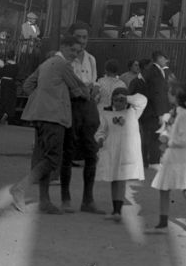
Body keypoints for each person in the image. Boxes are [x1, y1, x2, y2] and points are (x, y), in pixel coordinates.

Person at [9, 35, 87, 214]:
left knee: (45, 157)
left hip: (39, 116)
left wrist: (42, 98)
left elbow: (28, 85)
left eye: (78, 51)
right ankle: (21, 187)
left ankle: (45, 201)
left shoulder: (47, 63)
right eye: (73, 50)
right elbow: (78, 89)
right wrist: (85, 93)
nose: (75, 54)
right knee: (53, 158)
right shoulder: (62, 64)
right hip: (54, 117)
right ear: (64, 47)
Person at [60, 21, 104, 214]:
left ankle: (88, 200)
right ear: (71, 38)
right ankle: (65, 198)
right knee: (67, 154)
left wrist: (93, 89)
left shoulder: (91, 59)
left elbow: (92, 83)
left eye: (85, 37)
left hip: (88, 108)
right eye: (79, 37)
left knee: (91, 153)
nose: (83, 41)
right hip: (71, 106)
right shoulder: (65, 59)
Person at [150, 84, 186, 236]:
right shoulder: (174, 113)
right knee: (164, 187)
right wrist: (164, 135)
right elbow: (170, 131)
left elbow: (184, 140)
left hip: (184, 157)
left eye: (169, 92)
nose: (167, 94)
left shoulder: (184, 115)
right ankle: (162, 224)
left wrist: (168, 142)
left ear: (174, 96)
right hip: (173, 156)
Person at [94, 88, 147, 222]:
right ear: (112, 100)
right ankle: (115, 209)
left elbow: (142, 100)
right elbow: (101, 130)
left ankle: (118, 210)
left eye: (122, 100)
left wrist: (127, 97)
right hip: (112, 150)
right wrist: (99, 139)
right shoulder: (106, 114)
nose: (119, 103)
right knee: (114, 179)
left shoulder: (133, 112)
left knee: (121, 179)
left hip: (126, 152)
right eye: (116, 100)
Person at [139, 51, 171, 169]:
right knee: (154, 136)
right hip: (153, 111)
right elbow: (156, 94)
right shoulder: (154, 72)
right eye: (165, 58)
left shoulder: (152, 71)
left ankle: (147, 161)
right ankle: (153, 161)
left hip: (150, 110)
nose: (166, 61)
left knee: (148, 136)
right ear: (160, 58)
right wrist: (160, 113)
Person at [0, 53, 19, 124]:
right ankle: (8, 114)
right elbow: (18, 75)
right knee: (11, 100)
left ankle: (2, 113)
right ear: (14, 57)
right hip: (12, 83)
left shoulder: (5, 66)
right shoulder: (16, 66)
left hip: (4, 83)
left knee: (3, 99)